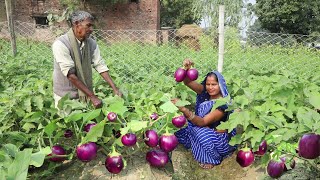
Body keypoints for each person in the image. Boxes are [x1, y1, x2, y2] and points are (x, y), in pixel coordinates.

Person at [172, 59, 237, 169]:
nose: (210, 87)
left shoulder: (223, 105)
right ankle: (197, 144)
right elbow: (187, 82)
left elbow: (202, 122)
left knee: (198, 132)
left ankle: (213, 159)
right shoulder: (206, 93)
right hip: (203, 128)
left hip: (219, 140)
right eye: (208, 84)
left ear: (220, 85)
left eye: (214, 84)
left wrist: (184, 109)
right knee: (181, 133)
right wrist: (187, 68)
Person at [52, 10, 122, 109]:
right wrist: (92, 97)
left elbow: (100, 65)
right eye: (88, 25)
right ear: (77, 24)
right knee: (66, 123)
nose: (91, 29)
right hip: (65, 97)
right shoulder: (61, 44)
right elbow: (70, 75)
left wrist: (115, 88)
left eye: (92, 26)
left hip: (85, 94)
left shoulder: (91, 43)